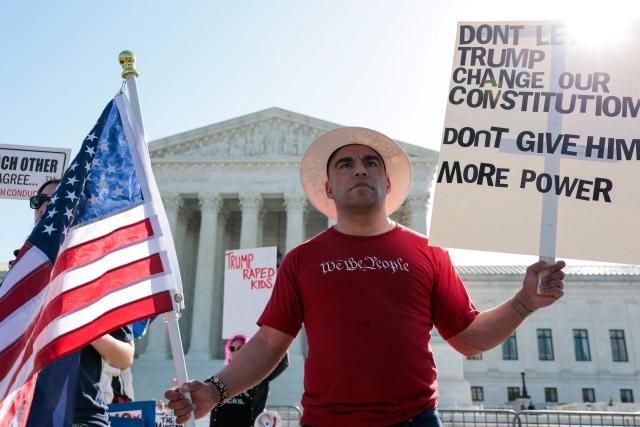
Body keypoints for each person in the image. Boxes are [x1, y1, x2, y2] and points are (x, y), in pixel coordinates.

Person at [165, 128, 565, 427]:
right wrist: (214, 390)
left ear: (386, 183)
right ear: (329, 188)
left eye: (370, 162)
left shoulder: (430, 252)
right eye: (346, 164)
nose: (360, 170)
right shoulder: (303, 260)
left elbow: (467, 336)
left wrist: (524, 302)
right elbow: (270, 343)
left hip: (416, 420)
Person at [25, 179, 135, 427]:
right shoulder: (17, 278)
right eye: (39, 201)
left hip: (81, 416)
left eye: (56, 201)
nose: (45, 208)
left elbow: (124, 358)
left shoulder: (99, 277)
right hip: (25, 415)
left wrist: (82, 322)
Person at [209, 335, 289, 427]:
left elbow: (282, 361)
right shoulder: (218, 380)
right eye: (232, 348)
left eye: (240, 348)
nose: (235, 351)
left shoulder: (257, 378)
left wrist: (264, 338)